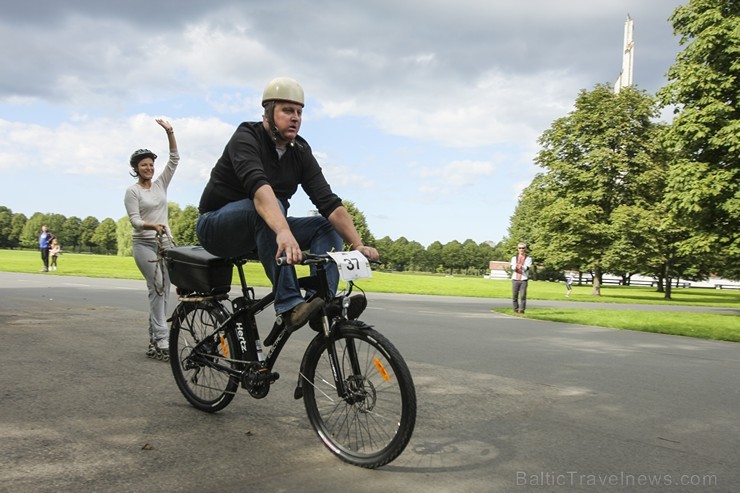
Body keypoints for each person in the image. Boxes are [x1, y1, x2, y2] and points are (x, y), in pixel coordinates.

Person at [196, 77, 378, 333]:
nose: (295, 118)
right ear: (268, 113)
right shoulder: (247, 136)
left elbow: (329, 203)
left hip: (264, 228)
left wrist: (357, 244)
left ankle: (319, 301)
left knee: (325, 226)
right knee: (271, 208)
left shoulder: (300, 151)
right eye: (287, 110)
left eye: (299, 112)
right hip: (216, 227)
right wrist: (284, 232)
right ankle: (289, 305)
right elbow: (260, 191)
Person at [124, 119, 179, 360]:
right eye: (143, 165)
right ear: (136, 168)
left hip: (164, 243)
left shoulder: (160, 185)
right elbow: (135, 221)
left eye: (151, 164)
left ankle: (154, 339)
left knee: (163, 290)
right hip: (144, 244)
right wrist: (152, 225)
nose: (149, 168)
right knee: (157, 285)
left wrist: (170, 132)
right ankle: (162, 339)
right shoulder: (132, 191)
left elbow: (175, 159)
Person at [510, 243, 532, 314]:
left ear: (525, 249)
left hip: (523, 279)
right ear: (518, 249)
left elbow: (527, 267)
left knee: (523, 295)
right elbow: (512, 267)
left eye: (523, 248)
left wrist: (521, 266)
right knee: (514, 295)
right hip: (515, 279)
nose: (521, 249)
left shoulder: (528, 258)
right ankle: (515, 309)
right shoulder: (514, 258)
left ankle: (522, 310)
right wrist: (516, 266)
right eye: (520, 248)